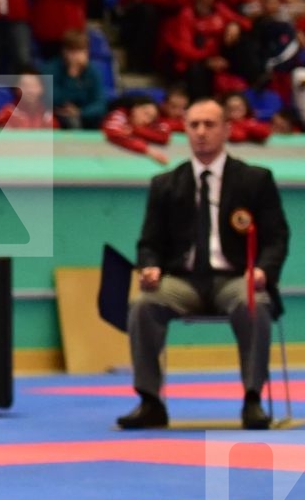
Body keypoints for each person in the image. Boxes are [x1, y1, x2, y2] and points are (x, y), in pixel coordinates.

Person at [120, 98, 290, 431]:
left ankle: (253, 399)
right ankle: (150, 401)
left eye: (209, 125)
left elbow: (276, 238)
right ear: (185, 130)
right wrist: (150, 267)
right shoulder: (165, 184)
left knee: (252, 302)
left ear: (226, 130)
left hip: (235, 277)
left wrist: (263, 271)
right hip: (182, 280)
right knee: (144, 306)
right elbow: (148, 243)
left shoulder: (254, 180)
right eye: (194, 125)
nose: (201, 133)